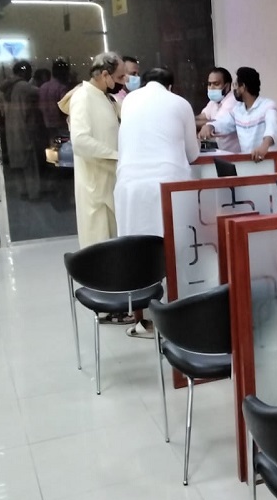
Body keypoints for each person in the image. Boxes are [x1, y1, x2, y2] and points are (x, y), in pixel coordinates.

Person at [115, 67, 200, 338]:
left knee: (135, 250)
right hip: (168, 183)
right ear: (170, 86)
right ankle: (174, 315)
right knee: (173, 248)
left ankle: (140, 320)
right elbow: (192, 153)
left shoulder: (129, 100)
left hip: (129, 185)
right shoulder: (180, 103)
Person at [69, 51, 125, 248]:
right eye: (120, 76)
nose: (123, 81)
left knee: (116, 245)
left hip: (110, 181)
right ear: (104, 74)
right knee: (99, 246)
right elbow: (80, 141)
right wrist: (115, 156)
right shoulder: (82, 97)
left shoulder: (107, 99)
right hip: (94, 187)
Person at [199, 66, 277, 162]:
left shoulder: (268, 106)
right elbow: (224, 123)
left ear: (243, 87)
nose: (234, 89)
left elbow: (272, 129)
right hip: (248, 161)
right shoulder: (237, 109)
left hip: (268, 161)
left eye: (236, 85)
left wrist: (264, 146)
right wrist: (210, 126)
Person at [1, 60, 43, 201]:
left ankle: (22, 191)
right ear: (24, 72)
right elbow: (41, 93)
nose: (31, 74)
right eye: (29, 71)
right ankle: (33, 194)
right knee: (29, 165)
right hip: (24, 129)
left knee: (17, 165)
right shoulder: (23, 86)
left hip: (11, 130)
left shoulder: (7, 86)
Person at [195, 67, 240, 152]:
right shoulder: (214, 102)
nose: (211, 87)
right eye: (209, 84)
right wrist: (187, 119)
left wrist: (189, 123)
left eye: (216, 84)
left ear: (227, 86)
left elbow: (217, 122)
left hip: (236, 154)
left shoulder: (232, 101)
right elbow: (203, 117)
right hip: (223, 151)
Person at [39, 58, 71, 140]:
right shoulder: (61, 88)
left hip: (46, 124)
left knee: (52, 144)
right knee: (63, 145)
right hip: (60, 125)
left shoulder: (43, 87)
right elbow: (65, 108)